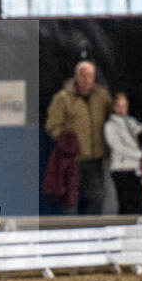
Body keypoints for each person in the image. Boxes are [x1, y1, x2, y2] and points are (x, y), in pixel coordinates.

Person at [45, 60, 113, 215]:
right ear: (76, 77)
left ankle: (94, 236)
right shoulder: (63, 98)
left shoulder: (102, 96)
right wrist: (66, 141)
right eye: (83, 75)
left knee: (96, 199)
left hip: (95, 160)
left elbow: (113, 118)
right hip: (71, 160)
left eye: (90, 76)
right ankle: (71, 236)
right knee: (70, 202)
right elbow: (52, 125)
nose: (86, 79)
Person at [104, 93, 142, 215]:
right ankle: (123, 230)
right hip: (120, 169)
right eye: (118, 106)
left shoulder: (132, 121)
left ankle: (137, 231)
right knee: (125, 202)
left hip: (135, 168)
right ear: (113, 107)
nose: (121, 109)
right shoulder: (110, 125)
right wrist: (140, 155)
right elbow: (118, 147)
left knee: (137, 202)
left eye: (124, 106)